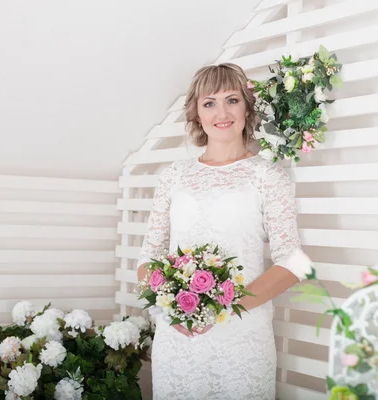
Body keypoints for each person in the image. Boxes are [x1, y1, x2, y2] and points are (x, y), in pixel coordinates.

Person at [136, 63, 310, 399]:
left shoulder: (267, 177)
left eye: (232, 99)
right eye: (209, 103)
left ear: (247, 106)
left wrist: (225, 308)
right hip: (178, 339)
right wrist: (167, 309)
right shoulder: (174, 176)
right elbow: (149, 257)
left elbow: (295, 262)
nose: (222, 112)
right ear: (196, 114)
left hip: (242, 340)